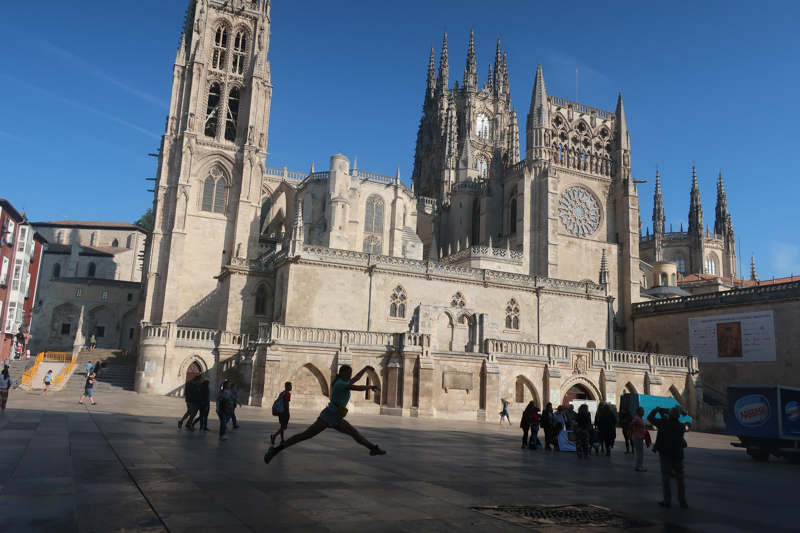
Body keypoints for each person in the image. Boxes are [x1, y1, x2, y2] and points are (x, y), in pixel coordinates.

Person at [264, 365, 385, 464]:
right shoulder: (340, 383)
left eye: (350, 373)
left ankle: (373, 448)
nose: (349, 375)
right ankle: (275, 450)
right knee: (305, 435)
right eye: (347, 373)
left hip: (337, 416)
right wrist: (370, 386)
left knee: (354, 432)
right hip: (330, 414)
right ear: (341, 373)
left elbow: (357, 378)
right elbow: (356, 387)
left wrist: (366, 368)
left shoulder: (344, 381)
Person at [648, 407, 688, 509]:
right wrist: (666, 416)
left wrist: (656, 410)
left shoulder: (664, 424)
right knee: (680, 478)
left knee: (666, 478)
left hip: (665, 454)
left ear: (669, 415)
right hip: (678, 454)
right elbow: (671, 423)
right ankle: (682, 501)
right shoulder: (681, 426)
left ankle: (667, 500)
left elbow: (650, 418)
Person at [631, 407, 647, 471]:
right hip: (637, 437)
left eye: (643, 411)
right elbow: (631, 425)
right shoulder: (636, 419)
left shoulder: (640, 418)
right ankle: (638, 466)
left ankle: (640, 465)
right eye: (642, 411)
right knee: (640, 452)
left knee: (641, 452)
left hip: (640, 437)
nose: (643, 412)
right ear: (638, 412)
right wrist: (632, 431)